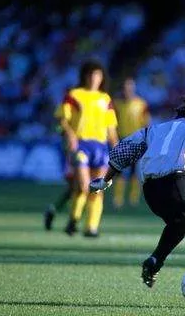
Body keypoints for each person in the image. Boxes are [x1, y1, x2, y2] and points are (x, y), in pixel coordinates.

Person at [89, 96, 185, 300]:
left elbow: (125, 149)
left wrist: (105, 180)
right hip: (177, 184)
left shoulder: (154, 130)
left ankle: (156, 259)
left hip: (151, 192)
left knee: (180, 223)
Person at [55, 60, 119, 237]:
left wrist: (117, 149)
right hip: (81, 145)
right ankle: (74, 219)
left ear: (101, 77)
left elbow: (111, 129)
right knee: (84, 186)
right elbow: (62, 120)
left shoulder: (105, 99)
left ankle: (91, 227)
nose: (94, 78)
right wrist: (70, 135)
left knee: (97, 188)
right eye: (91, 74)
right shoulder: (74, 95)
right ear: (85, 76)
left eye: (97, 75)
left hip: (100, 147)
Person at [112, 76, 151, 209]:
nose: (127, 90)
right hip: (121, 139)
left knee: (135, 170)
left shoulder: (141, 104)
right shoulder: (116, 103)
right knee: (119, 170)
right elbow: (111, 121)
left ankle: (133, 199)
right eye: (125, 87)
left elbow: (146, 122)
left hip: (136, 140)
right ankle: (118, 199)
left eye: (130, 87)